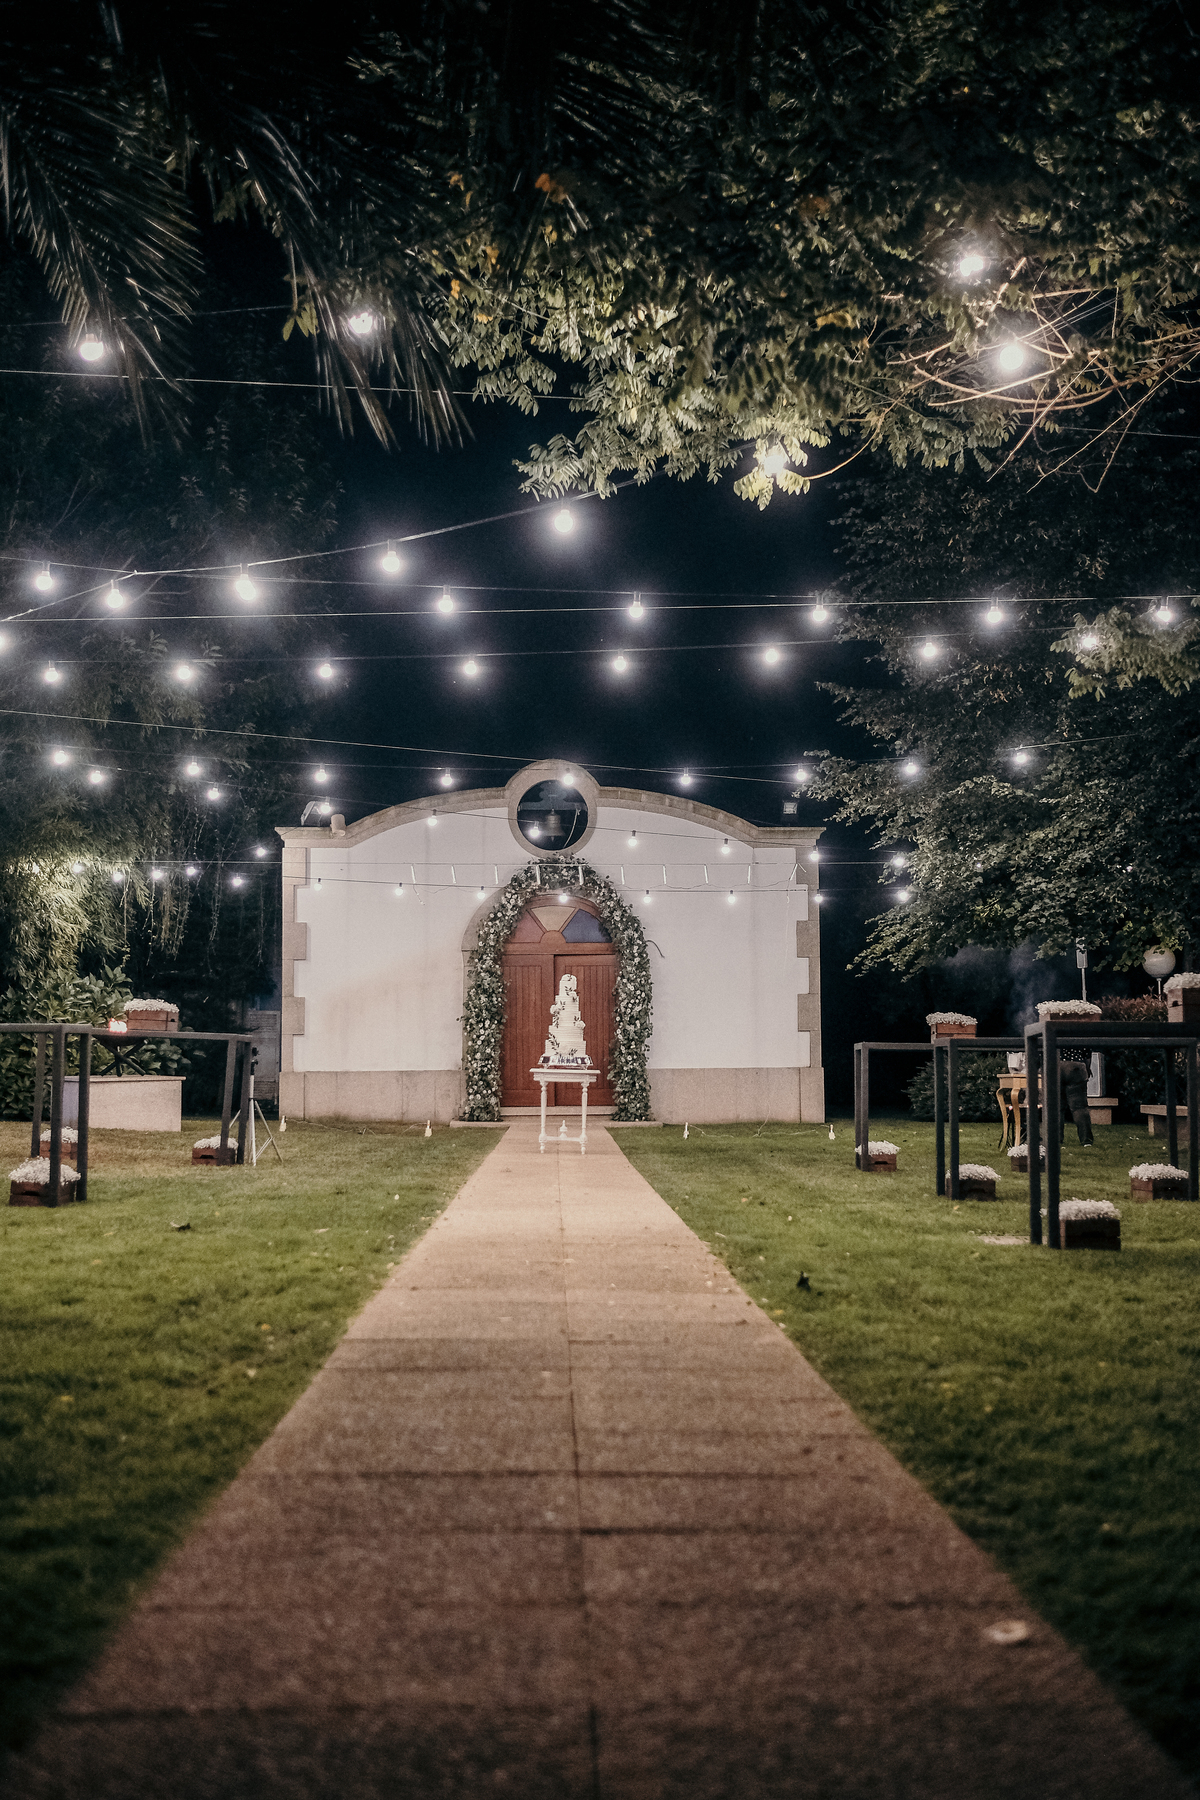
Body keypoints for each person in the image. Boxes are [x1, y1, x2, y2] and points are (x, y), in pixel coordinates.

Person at [1059, 1047, 1094, 1146]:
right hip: (1076, 1065)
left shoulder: (1054, 1030)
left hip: (1055, 1062)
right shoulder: (1077, 1031)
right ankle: (1086, 1140)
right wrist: (1087, 1068)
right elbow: (1087, 1053)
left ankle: (1056, 1139)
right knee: (1079, 1107)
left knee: (1056, 1107)